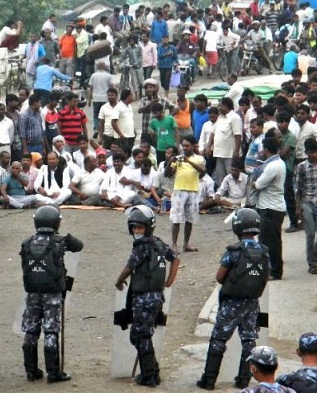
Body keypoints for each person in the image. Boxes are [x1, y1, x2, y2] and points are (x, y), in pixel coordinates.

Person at [196, 208, 269, 390]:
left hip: (231, 302)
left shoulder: (234, 251)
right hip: (252, 303)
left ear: (237, 227)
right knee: (249, 341)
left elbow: (220, 277)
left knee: (219, 339)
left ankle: (209, 380)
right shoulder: (264, 251)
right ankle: (243, 380)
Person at [114, 206, 180, 387]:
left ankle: (149, 375)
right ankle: (153, 371)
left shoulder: (141, 247)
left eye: (140, 227)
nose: (136, 231)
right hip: (156, 297)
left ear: (148, 227)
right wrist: (168, 282)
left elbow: (129, 267)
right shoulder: (158, 243)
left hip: (143, 298)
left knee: (140, 336)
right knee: (143, 335)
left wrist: (118, 282)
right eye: (134, 227)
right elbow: (174, 258)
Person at [20, 205, 83, 383]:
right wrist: (66, 237)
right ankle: (54, 372)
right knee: (51, 330)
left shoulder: (27, 242)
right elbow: (79, 246)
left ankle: (31, 371)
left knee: (31, 329)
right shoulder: (59, 241)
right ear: (56, 222)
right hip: (53, 293)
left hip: (32, 292)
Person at [251, 137, 286, 280]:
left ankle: (275, 271)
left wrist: (253, 181)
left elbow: (258, 184)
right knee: (273, 240)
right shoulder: (278, 163)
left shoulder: (272, 166)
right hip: (273, 206)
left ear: (266, 149)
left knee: (269, 242)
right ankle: (273, 269)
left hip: (269, 207)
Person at [165, 136, 206, 253]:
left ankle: (186, 244)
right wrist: (170, 162)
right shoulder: (178, 159)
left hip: (193, 191)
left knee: (189, 219)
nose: (185, 148)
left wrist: (188, 161)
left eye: (187, 146)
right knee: (176, 219)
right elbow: (167, 174)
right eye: (183, 146)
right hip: (179, 190)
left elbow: (203, 171)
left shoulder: (199, 158)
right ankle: (174, 244)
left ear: (194, 146)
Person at [295, 138, 317, 274]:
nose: (313, 155)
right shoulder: (301, 167)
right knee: (310, 234)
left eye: (315, 152)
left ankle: (314, 253)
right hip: (307, 202)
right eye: (310, 152)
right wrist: (298, 207)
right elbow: (298, 189)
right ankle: (312, 264)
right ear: (306, 152)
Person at [209, 97, 243, 185]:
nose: (218, 108)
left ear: (225, 106)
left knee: (231, 178)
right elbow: (213, 132)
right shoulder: (220, 117)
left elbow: (238, 135)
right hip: (219, 154)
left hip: (230, 154)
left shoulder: (235, 117)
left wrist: (236, 151)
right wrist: (208, 146)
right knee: (221, 179)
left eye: (220, 106)